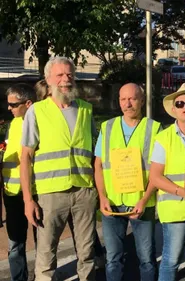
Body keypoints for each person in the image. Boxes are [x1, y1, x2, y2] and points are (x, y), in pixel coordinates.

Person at [20, 57, 97, 281]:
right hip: (50, 194)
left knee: (87, 253)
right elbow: (25, 157)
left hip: (83, 191)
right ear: (48, 79)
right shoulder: (37, 111)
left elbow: (95, 153)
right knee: (45, 257)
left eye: (70, 74)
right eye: (60, 75)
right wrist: (28, 200)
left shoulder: (85, 110)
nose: (66, 80)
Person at [139, 83, 185, 281]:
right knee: (171, 260)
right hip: (175, 208)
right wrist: (183, 192)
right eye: (179, 103)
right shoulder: (163, 138)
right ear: (174, 109)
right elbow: (155, 177)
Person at [94, 83, 161, 281]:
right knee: (113, 259)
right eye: (123, 99)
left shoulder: (154, 128)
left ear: (142, 100)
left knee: (146, 259)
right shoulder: (107, 127)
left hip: (141, 204)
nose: (127, 103)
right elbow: (98, 165)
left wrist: (145, 199)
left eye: (132, 99)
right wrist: (102, 197)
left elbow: (158, 170)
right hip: (112, 204)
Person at [2, 84, 37, 281]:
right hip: (12, 192)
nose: (9, 108)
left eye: (13, 105)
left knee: (43, 241)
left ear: (28, 103)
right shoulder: (13, 123)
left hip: (35, 192)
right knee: (15, 243)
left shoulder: (40, 122)